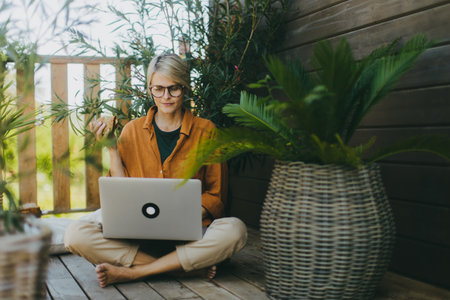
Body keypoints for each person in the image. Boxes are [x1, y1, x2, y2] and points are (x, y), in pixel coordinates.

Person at [64, 53, 247, 288]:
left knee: (235, 230)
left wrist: (174, 217)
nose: (166, 97)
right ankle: (179, 269)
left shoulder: (206, 131)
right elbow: (121, 194)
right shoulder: (131, 130)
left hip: (190, 236)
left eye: (174, 89)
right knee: (75, 234)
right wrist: (111, 148)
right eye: (158, 89)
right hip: (139, 238)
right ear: (150, 88)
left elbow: (216, 196)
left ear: (185, 87)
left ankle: (136, 272)